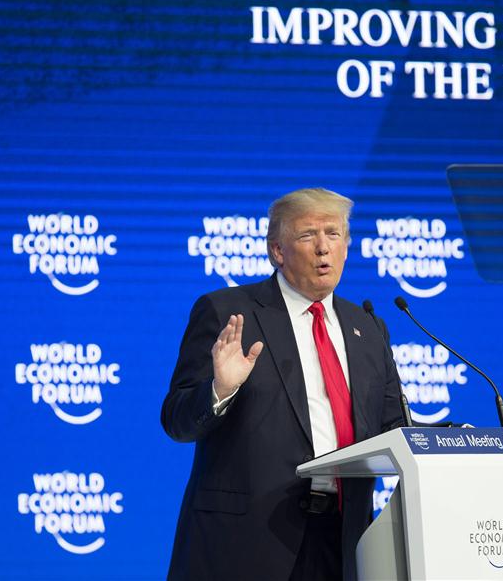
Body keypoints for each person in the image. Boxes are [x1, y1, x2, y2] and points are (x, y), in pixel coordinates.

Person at [161, 188, 405, 580]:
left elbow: (393, 427)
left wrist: (452, 439)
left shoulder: (368, 327)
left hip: (343, 542)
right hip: (244, 545)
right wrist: (220, 390)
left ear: (346, 246)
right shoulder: (227, 312)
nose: (323, 247)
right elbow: (177, 420)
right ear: (277, 250)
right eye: (308, 235)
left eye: (334, 234)